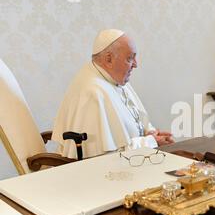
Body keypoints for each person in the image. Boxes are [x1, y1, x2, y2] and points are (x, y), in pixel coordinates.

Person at [52, 29, 174, 159]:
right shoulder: (93, 92)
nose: (136, 64)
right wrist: (151, 141)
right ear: (109, 59)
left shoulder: (115, 79)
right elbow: (105, 158)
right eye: (130, 58)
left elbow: (135, 119)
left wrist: (150, 133)